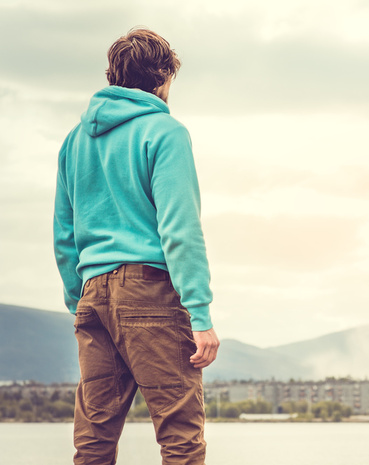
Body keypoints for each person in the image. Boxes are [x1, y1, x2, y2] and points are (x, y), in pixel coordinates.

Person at [53, 27, 220, 465]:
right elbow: (179, 229)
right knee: (180, 435)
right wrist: (199, 313)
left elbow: (65, 235)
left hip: (92, 296)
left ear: (113, 75)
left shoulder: (74, 142)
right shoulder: (165, 132)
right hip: (149, 292)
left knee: (93, 439)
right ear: (162, 77)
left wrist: (82, 302)